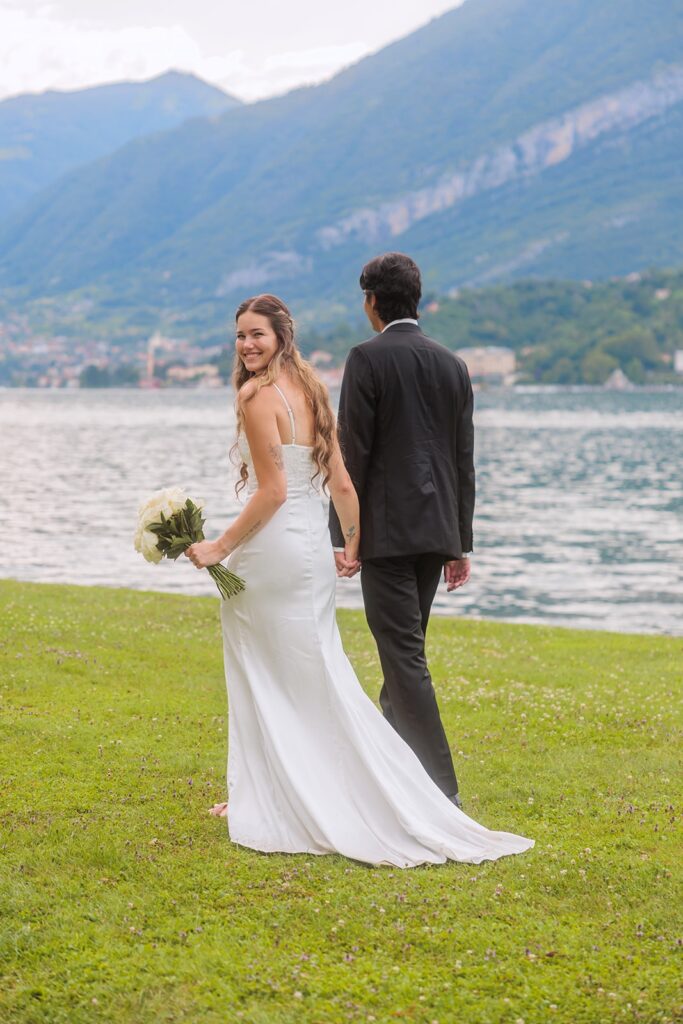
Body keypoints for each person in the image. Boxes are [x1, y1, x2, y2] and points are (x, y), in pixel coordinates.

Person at [184, 293, 532, 868]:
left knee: (270, 671)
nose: (247, 345)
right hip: (311, 556)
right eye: (240, 335)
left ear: (281, 338)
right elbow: (341, 485)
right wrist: (350, 542)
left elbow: (272, 492)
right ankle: (267, 789)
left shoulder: (255, 397)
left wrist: (220, 546)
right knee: (310, 670)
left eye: (257, 336)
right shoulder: (313, 391)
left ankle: (279, 794)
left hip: (272, 551)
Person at [330, 252, 473, 810]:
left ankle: (444, 792)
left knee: (403, 659)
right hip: (436, 534)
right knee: (403, 656)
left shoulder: (365, 358)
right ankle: (394, 779)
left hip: (386, 537)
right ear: (418, 299)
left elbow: (352, 454)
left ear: (371, 301)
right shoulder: (452, 363)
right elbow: (463, 461)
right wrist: (459, 542)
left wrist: (344, 536)